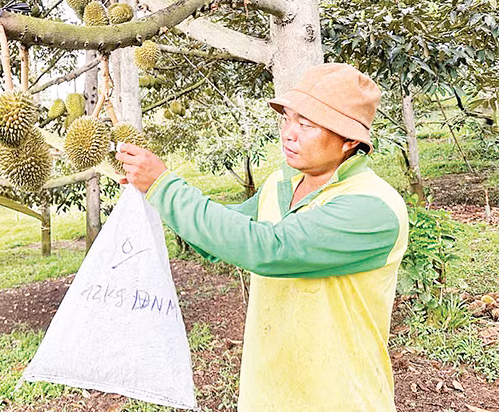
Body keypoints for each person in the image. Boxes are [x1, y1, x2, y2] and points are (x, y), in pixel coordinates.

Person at [115, 62, 408, 412]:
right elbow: (223, 236)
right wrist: (153, 195)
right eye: (288, 118)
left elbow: (268, 248)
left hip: (338, 399)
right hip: (267, 392)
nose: (289, 132)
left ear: (349, 141)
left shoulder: (373, 208)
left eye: (307, 124)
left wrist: (165, 186)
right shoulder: (280, 184)